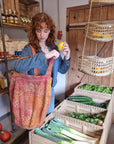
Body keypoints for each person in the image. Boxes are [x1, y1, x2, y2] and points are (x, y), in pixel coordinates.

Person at [14, 12, 71, 115]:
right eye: (38, 31)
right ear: (34, 31)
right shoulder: (29, 49)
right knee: (35, 121)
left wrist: (67, 57)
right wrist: (45, 56)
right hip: (34, 93)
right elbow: (18, 67)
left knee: (48, 119)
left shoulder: (53, 47)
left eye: (45, 31)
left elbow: (62, 70)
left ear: (50, 31)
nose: (42, 35)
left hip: (50, 90)